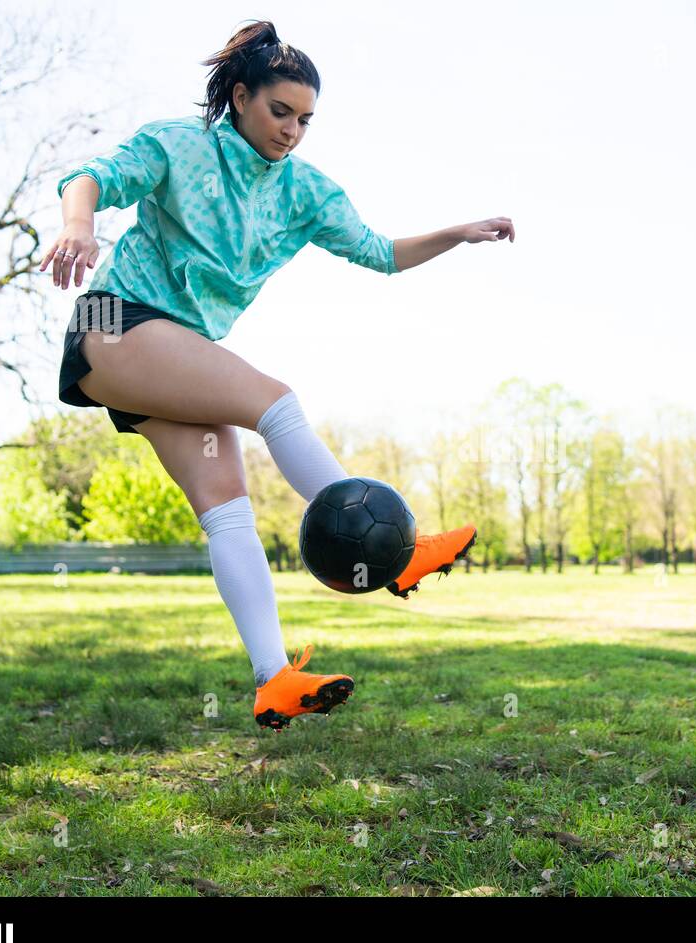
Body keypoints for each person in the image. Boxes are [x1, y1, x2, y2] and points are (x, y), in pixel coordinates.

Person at [42, 20, 514, 730]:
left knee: (227, 504)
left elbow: (379, 253)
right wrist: (79, 225)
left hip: (172, 357)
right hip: (115, 324)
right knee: (273, 401)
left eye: (305, 119)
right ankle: (403, 552)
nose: (292, 130)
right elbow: (92, 177)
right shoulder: (183, 144)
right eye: (279, 111)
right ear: (239, 96)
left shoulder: (305, 193)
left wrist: (456, 233)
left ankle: (273, 681)